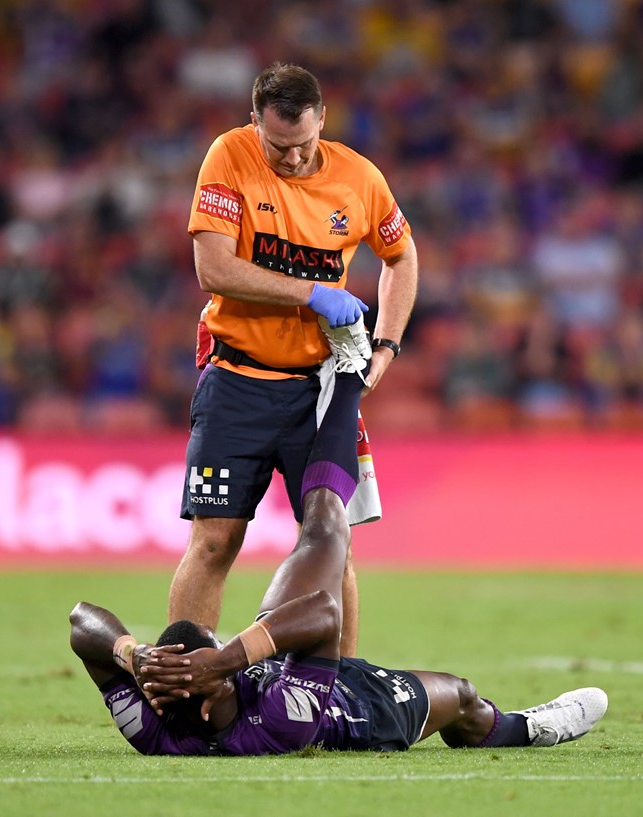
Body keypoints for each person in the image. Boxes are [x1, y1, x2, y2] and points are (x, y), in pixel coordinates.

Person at [70, 359, 608, 756]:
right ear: (209, 703)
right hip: (356, 706)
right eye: (209, 660)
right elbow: (324, 614)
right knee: (463, 700)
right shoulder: (279, 725)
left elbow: (80, 622)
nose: (214, 646)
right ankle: (528, 727)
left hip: (279, 667)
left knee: (322, 526)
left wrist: (133, 657)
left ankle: (340, 376)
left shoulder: (156, 727)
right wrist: (229, 658)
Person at [171, 62, 418, 655]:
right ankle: (181, 684)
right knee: (214, 541)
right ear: (254, 122)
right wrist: (313, 292)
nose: (292, 158)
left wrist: (385, 345)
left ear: (323, 121)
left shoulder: (359, 177)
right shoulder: (229, 155)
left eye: (304, 144)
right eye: (279, 146)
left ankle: (341, 692)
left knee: (331, 542)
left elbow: (401, 258)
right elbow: (214, 268)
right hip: (236, 380)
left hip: (321, 390)